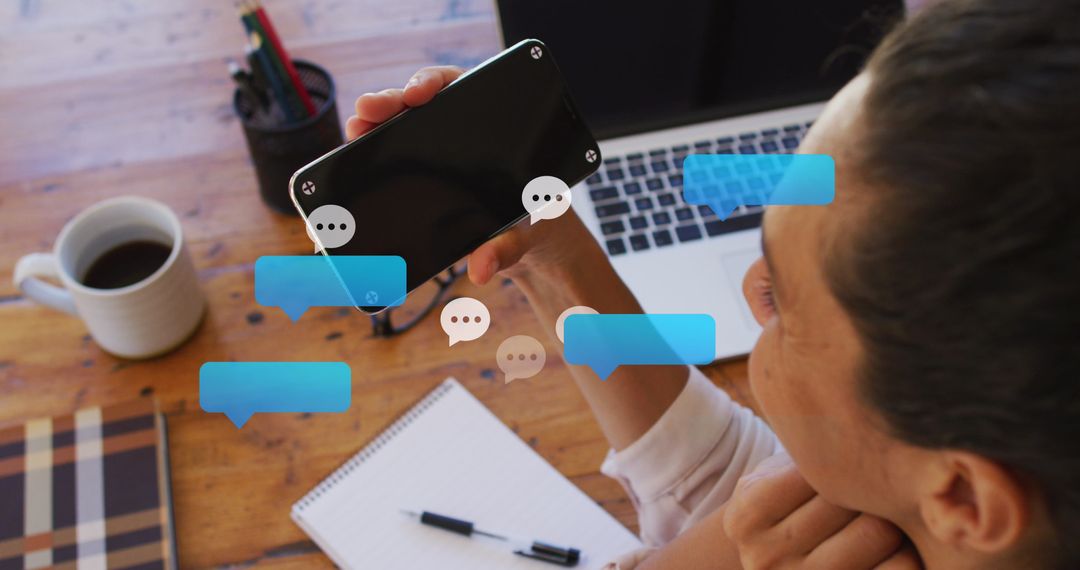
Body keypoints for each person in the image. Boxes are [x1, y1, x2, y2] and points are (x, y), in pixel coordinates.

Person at [345, 0, 1080, 567]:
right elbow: (748, 487)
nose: (753, 283)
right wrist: (552, 247)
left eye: (781, 305)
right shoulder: (917, 493)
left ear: (963, 496)